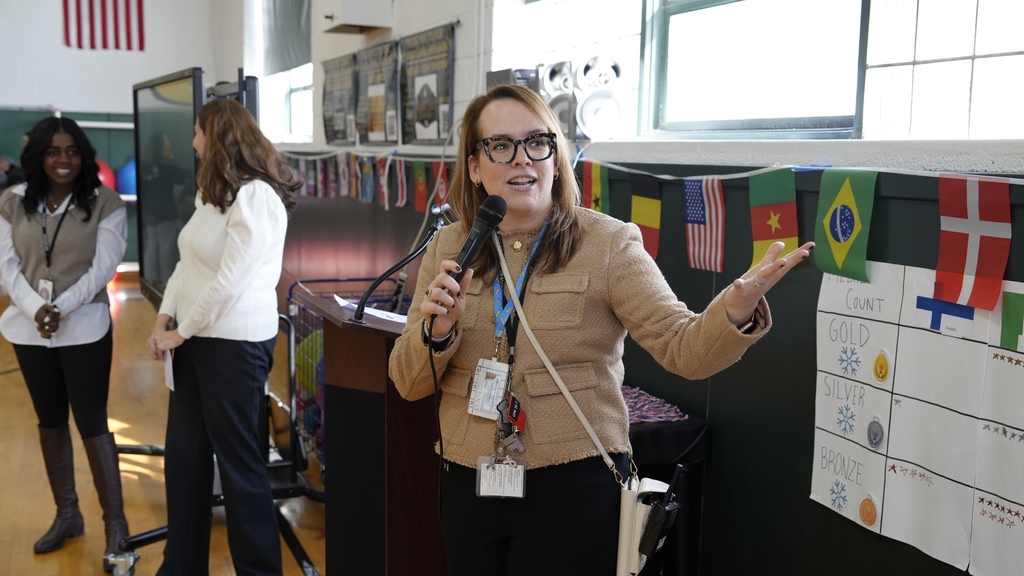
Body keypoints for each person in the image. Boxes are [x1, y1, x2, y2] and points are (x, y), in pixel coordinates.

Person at [388, 83, 814, 575]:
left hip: (574, 483)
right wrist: (437, 334)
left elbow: (685, 351)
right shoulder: (449, 247)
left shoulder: (608, 243)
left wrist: (735, 308)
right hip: (467, 481)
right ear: (475, 167)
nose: (521, 159)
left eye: (537, 142)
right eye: (500, 145)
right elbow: (409, 381)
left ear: (555, 156)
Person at [146, 98, 300, 576]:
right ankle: (181, 567)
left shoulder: (257, 198)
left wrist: (182, 331)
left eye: (197, 133)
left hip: (233, 348)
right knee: (185, 459)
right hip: (193, 341)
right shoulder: (215, 194)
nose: (192, 142)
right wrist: (163, 318)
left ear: (219, 138)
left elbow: (230, 282)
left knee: (240, 469)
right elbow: (186, 267)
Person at [0, 117, 129, 571]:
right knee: (50, 421)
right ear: (38, 155)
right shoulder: (12, 202)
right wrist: (36, 308)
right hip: (27, 327)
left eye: (71, 150)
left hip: (85, 325)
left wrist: (60, 308)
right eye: (53, 151)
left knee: (92, 423)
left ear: (83, 154)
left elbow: (103, 269)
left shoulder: (106, 203)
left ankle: (117, 528)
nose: (63, 159)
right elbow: (7, 265)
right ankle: (67, 515)